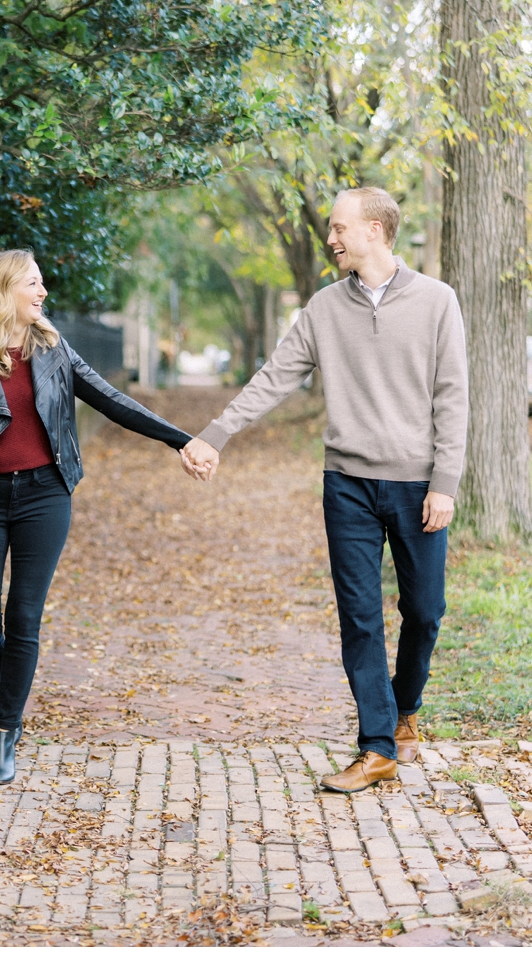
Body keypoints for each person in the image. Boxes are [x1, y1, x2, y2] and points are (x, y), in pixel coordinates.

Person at [181, 187, 468, 794]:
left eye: (339, 228)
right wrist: (216, 433)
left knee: (424, 612)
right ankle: (377, 746)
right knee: (359, 617)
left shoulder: (438, 302)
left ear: (373, 229)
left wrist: (444, 483)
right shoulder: (322, 309)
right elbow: (274, 378)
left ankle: (404, 707)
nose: (331, 239)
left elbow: (453, 398)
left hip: (418, 484)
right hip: (348, 486)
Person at [0, 249, 194, 785]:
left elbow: (111, 400)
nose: (42, 293)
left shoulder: (53, 347)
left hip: (44, 496)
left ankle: (5, 729)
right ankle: (16, 686)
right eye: (32, 283)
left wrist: (180, 439)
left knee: (24, 616)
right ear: (2, 290)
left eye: (42, 283)